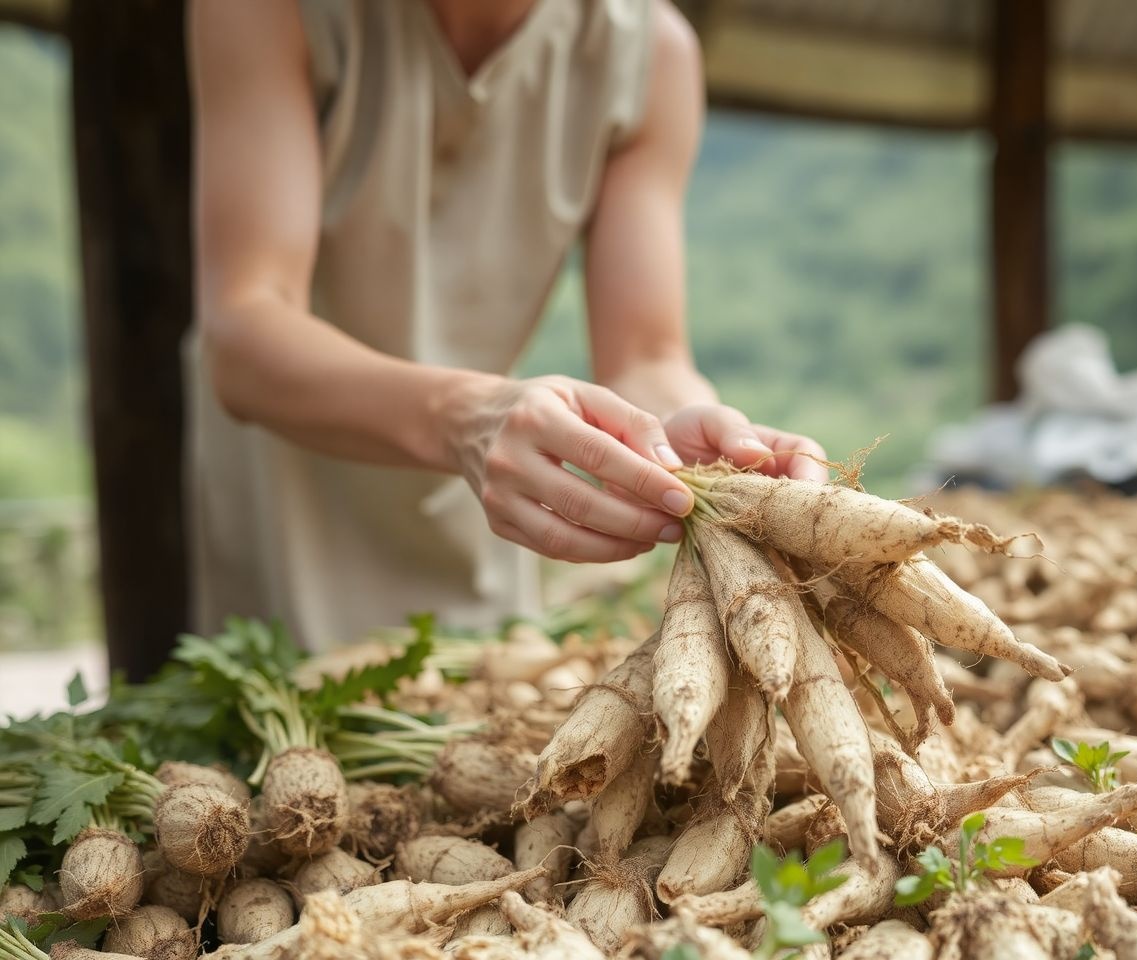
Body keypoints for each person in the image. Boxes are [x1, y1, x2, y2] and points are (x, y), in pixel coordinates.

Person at [187, 0, 827, 649]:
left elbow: (646, 358)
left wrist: (698, 447)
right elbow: (244, 330)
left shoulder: (651, 56)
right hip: (288, 518)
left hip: (488, 514)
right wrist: (469, 417)